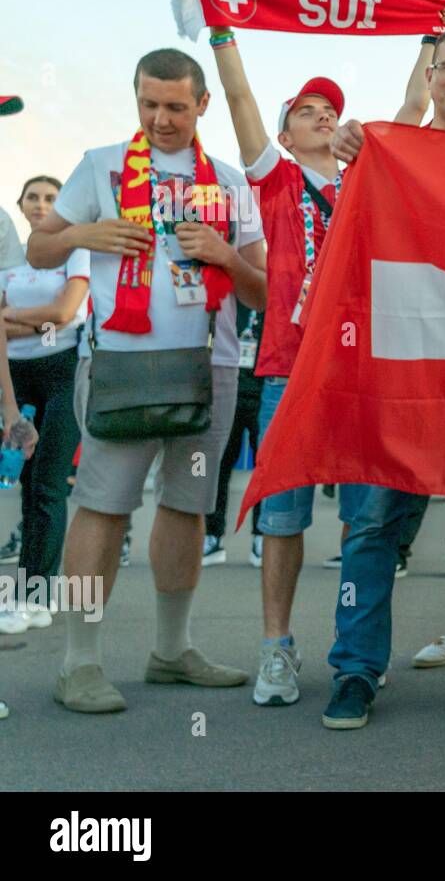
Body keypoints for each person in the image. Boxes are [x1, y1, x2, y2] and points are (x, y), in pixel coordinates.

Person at [27, 47, 267, 714]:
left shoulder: (228, 179)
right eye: (149, 104)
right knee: (101, 506)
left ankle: (172, 649)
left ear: (202, 105)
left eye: (175, 106)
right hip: (118, 366)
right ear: (137, 100)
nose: (161, 118)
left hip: (209, 368)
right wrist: (88, 233)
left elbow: (264, 291)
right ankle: (78, 661)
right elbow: (39, 248)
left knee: (188, 507)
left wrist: (222, 254)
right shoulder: (99, 164)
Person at [323, 23, 445, 730]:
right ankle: (354, 669)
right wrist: (353, 147)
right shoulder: (386, 150)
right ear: (429, 77)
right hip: (397, 365)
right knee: (372, 524)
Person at [194, 0, 361, 707]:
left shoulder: (367, 178)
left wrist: (433, 32)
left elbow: (420, 103)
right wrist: (220, 21)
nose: (323, 114)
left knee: (367, 523)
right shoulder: (278, 180)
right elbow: (237, 97)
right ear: (288, 133)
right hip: (290, 364)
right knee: (286, 516)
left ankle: (358, 655)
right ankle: (276, 649)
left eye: (332, 107)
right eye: (308, 109)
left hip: (360, 370)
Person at [0, 175, 88, 629]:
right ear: (20, 204)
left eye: (50, 198)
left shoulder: (74, 249)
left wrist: (11, 316)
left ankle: (39, 596)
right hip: (16, 378)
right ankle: (29, 592)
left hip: (62, 373)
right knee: (27, 487)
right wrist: (10, 408)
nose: (40, 204)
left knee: (50, 484)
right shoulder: (9, 257)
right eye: (32, 197)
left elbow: (64, 313)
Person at [202, 300, 263, 567]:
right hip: (228, 385)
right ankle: (212, 535)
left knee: (264, 470)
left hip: (263, 388)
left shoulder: (269, 290)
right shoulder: (228, 294)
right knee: (218, 467)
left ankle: (261, 535)